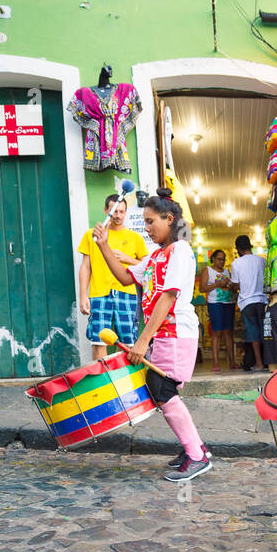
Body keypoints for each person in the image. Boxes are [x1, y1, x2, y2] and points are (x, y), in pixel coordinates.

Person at [95, 188, 212, 482]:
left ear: (169, 218)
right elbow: (125, 277)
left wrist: (142, 341)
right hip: (163, 335)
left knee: (163, 390)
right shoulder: (157, 256)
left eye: (150, 222)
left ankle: (197, 457)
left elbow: (168, 297)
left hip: (175, 333)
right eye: (144, 222)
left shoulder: (181, 251)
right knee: (161, 390)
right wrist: (104, 246)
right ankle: (195, 449)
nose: (146, 229)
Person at [81, 193, 147, 358]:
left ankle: (122, 382)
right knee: (98, 341)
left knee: (127, 343)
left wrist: (128, 259)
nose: (118, 215)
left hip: (127, 294)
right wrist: (83, 296)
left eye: (122, 211)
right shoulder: (91, 235)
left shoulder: (135, 238)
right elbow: (85, 267)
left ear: (126, 212)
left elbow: (148, 267)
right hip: (99, 293)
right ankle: (101, 382)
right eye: (114, 211)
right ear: (105, 210)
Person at [230, 234, 267, 372]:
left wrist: (233, 287)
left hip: (247, 302)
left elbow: (235, 284)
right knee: (265, 332)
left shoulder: (236, 263)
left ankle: (258, 363)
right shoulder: (261, 261)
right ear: (250, 246)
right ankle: (268, 361)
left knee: (253, 334)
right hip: (263, 301)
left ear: (238, 249)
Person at [199, 248, 235, 372]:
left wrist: (230, 286)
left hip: (229, 303)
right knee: (217, 333)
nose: (222, 262)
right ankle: (215, 362)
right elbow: (202, 288)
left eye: (224, 259)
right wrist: (217, 284)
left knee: (229, 333)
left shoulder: (227, 271)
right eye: (219, 259)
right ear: (213, 259)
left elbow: (232, 288)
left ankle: (232, 362)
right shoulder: (207, 270)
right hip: (215, 304)